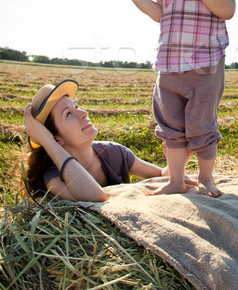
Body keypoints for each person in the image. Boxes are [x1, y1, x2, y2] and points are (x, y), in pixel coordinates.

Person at [109, 0, 237, 197]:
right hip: (168, 65)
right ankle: (176, 180)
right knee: (171, 129)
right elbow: (158, 13)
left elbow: (226, 10)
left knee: (202, 125)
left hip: (206, 66)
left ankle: (206, 179)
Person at [23, 79, 176, 202]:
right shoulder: (54, 175)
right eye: (68, 114)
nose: (83, 113)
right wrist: (46, 140)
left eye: (76, 106)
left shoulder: (114, 152)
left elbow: (162, 176)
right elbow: (94, 197)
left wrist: (176, 157)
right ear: (57, 138)